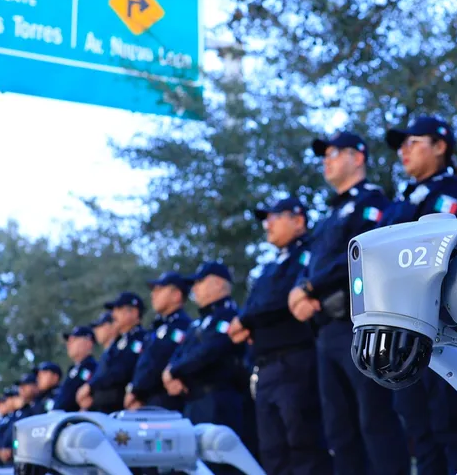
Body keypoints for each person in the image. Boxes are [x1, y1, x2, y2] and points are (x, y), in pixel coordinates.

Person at [287, 131, 411, 475]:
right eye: (323, 155)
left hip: (359, 323)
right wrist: (301, 291)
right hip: (326, 329)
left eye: (334, 152)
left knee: (375, 418)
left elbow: (363, 253)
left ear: (358, 157)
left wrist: (310, 287)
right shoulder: (329, 215)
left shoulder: (372, 202)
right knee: (339, 428)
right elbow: (312, 264)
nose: (326, 160)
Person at [381, 116, 457, 475]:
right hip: (406, 329)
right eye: (401, 145)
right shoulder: (402, 199)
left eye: (413, 142)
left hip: (443, 325)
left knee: (452, 429)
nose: (404, 151)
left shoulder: (453, 192)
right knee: (421, 434)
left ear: (440, 146)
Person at [230, 197, 332, 475]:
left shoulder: (309, 253)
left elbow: (282, 300)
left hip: (296, 361)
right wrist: (248, 318)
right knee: (273, 449)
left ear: (298, 220)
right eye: (267, 219)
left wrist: (247, 320)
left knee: (303, 442)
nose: (268, 224)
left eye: (275, 217)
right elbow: (256, 304)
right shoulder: (269, 267)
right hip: (266, 367)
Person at [165, 262, 251, 442]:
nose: (194, 288)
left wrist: (173, 371)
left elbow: (209, 352)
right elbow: (180, 352)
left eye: (200, 282)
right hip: (194, 401)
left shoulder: (229, 315)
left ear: (219, 283)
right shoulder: (198, 323)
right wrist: (170, 371)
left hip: (220, 402)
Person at [127, 272, 193, 411]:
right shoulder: (158, 326)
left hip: (167, 403)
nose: (153, 295)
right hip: (149, 401)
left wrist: (136, 392)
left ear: (176, 295)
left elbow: (159, 361)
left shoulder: (181, 325)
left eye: (159, 290)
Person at [81, 293, 146, 412]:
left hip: (122, 407)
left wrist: (91, 386)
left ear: (134, 312)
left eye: (119, 309)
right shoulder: (119, 342)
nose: (114, 314)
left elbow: (122, 370)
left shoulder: (139, 339)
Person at [51, 325, 98, 412]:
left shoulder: (92, 367)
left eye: (74, 339)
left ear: (88, 342)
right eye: (68, 341)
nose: (69, 344)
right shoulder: (73, 369)